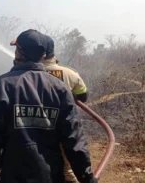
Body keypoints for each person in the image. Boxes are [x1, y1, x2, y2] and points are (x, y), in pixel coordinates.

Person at [0, 29, 97, 183]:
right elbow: (74, 138)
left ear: (18, 53)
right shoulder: (59, 88)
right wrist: (87, 177)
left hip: (13, 176)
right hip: (51, 175)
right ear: (43, 56)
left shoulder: (3, 85)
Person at [41, 34, 90, 183]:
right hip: (64, 127)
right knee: (68, 168)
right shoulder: (70, 73)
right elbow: (83, 95)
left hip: (35, 126)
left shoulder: (28, 73)